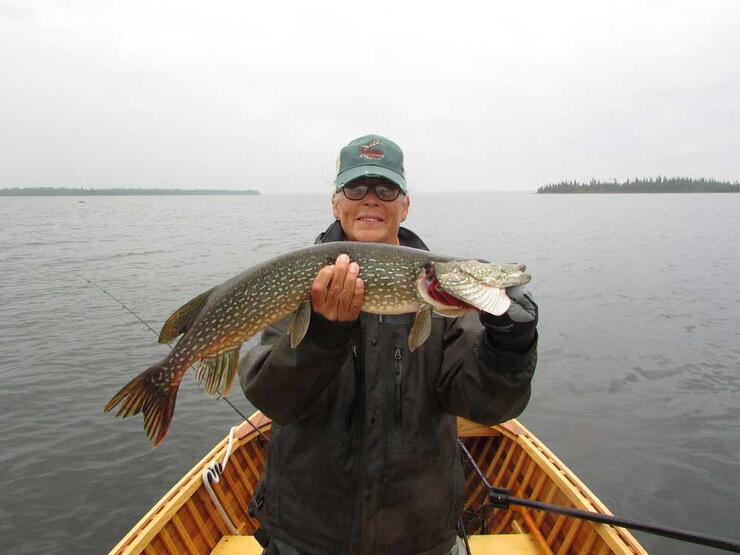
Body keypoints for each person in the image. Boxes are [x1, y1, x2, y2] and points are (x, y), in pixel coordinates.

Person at [238, 134, 538, 555]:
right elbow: (273, 399)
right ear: (336, 203)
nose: (371, 199)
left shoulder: (442, 304)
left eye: (386, 188)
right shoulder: (306, 280)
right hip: (307, 537)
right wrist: (322, 336)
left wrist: (509, 348)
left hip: (419, 537)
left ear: (405, 204)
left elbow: (489, 406)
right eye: (356, 188)